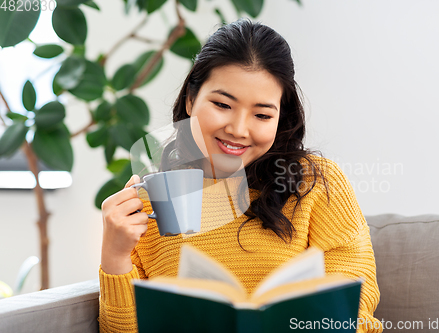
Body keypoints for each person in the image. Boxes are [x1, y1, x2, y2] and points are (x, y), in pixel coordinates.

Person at [99, 19, 383, 333]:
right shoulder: (149, 205)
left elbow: (353, 309)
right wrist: (114, 254)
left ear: (280, 117)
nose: (238, 129)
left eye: (262, 114)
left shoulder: (316, 183)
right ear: (191, 100)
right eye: (222, 105)